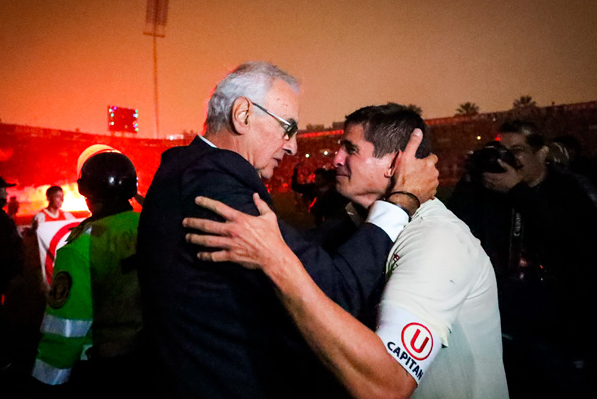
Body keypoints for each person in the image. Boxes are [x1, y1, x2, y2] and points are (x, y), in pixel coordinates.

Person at [137, 63, 438, 398]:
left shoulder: (191, 170)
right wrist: (400, 202)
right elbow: (335, 292)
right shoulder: (213, 183)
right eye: (287, 128)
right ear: (243, 115)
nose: (292, 145)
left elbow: (286, 246)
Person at [184, 104, 508, 399]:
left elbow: (386, 386)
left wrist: (280, 266)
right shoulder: (355, 223)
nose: (336, 159)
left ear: (395, 163)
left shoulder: (437, 241)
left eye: (350, 149)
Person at [448, 120, 596, 397]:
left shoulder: (569, 189)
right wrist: (471, 178)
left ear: (541, 153)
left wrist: (518, 192)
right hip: (511, 313)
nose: (509, 158)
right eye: (502, 150)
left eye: (517, 150)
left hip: (564, 319)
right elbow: (457, 226)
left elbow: (572, 239)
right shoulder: (491, 192)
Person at [30, 150, 144, 396]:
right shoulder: (152, 226)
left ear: (87, 194)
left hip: (101, 367)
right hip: (153, 357)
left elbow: (66, 328)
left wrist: (45, 380)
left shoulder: (80, 247)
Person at [0, 176, 23, 372]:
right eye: (3, 190)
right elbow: (8, 247)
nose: (6, 193)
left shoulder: (2, 217)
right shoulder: (0, 219)